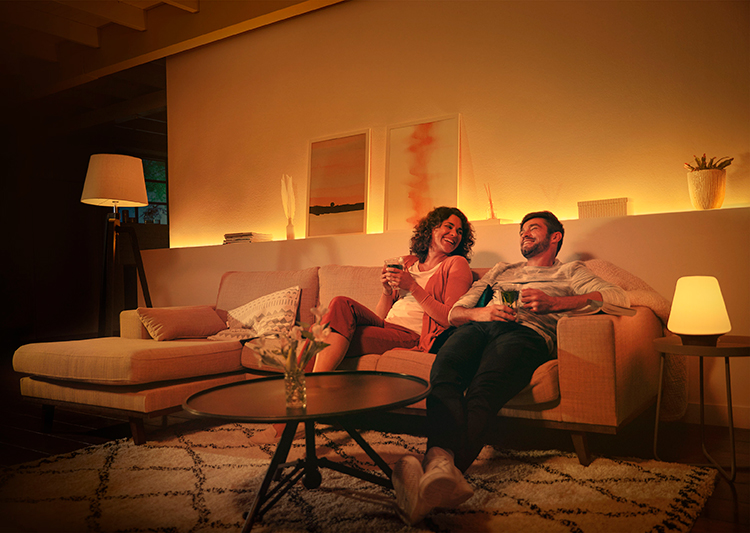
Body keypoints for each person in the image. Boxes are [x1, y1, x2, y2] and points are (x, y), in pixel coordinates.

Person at [391, 211, 629, 525]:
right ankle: (440, 473)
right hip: (479, 328)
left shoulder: (571, 270)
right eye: (521, 230)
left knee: (483, 390)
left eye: (533, 228)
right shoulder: (502, 269)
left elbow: (617, 297)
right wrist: (481, 314)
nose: (524, 234)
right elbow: (455, 312)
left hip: (527, 333)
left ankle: (433, 476)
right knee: (444, 376)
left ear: (555, 237)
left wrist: (554, 303)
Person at [251, 206, 476, 444]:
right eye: (449, 226)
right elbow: (382, 315)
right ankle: (309, 403)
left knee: (315, 339)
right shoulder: (408, 262)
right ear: (431, 229)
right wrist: (386, 291)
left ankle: (300, 409)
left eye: (460, 231)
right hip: (387, 327)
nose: (454, 234)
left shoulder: (456, 264)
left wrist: (412, 286)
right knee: (339, 304)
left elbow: (450, 317)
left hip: (412, 335)